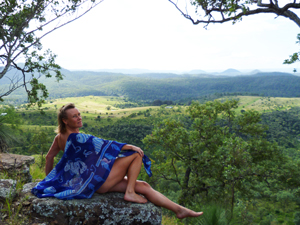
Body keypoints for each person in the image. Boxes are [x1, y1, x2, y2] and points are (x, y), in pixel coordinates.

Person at [32, 103, 203, 219]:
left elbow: (49, 157)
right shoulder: (78, 138)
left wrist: (51, 180)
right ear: (65, 120)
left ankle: (179, 210)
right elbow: (104, 144)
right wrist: (130, 146)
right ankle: (130, 193)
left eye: (79, 114)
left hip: (94, 181)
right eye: (74, 116)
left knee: (143, 186)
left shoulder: (59, 137)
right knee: (136, 155)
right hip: (99, 182)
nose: (79, 118)